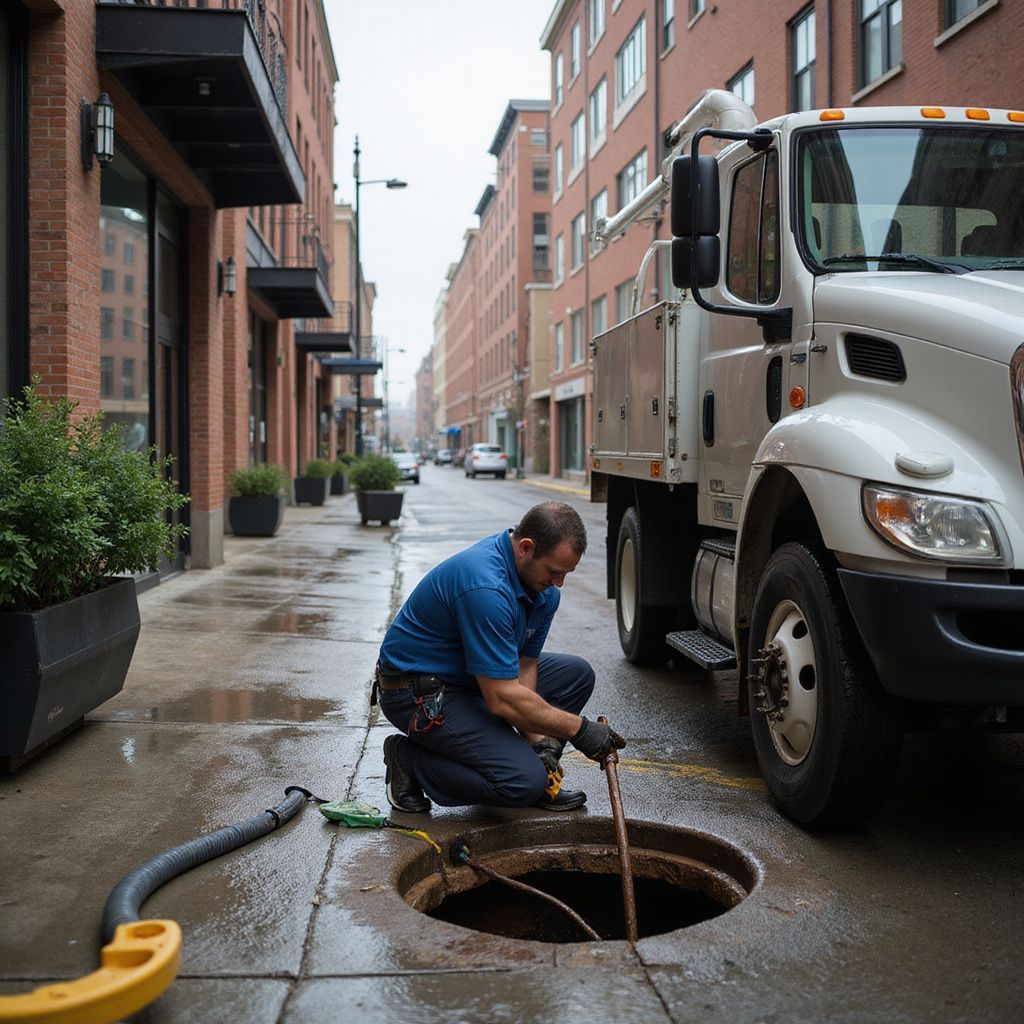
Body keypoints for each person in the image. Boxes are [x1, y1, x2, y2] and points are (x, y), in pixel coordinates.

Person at [375, 501, 625, 814]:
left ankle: (535, 768)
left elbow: (525, 664)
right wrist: (580, 729)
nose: (559, 584)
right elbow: (501, 699)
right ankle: (409, 760)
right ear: (526, 548)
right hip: (416, 693)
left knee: (576, 675)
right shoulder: (486, 587)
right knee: (520, 782)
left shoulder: (542, 590)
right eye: (554, 572)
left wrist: (540, 745)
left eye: (566, 574)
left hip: (469, 678)